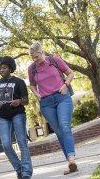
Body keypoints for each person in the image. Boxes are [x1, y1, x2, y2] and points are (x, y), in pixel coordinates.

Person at [28, 42, 77, 175]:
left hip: (62, 97)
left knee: (65, 126)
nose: (35, 60)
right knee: (59, 132)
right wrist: (37, 95)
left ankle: (71, 159)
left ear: (42, 52)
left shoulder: (55, 60)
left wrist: (66, 84)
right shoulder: (32, 68)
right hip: (46, 103)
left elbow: (70, 73)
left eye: (36, 57)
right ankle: (70, 161)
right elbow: (32, 85)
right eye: (32, 58)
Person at [0, 56, 33, 179]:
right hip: (3, 117)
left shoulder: (19, 82)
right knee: (6, 145)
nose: (2, 70)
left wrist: (19, 101)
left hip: (18, 114)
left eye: (4, 68)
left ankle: (27, 173)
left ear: (10, 68)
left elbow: (26, 101)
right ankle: (19, 169)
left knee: (22, 143)